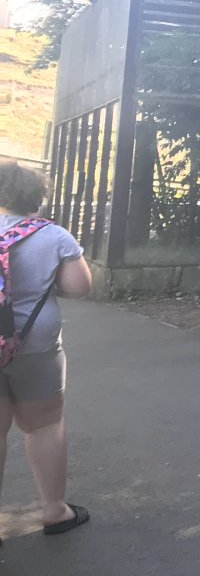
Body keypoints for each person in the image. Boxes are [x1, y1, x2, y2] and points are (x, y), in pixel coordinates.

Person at [0, 160, 93, 539]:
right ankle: (55, 511)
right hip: (35, 345)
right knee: (44, 425)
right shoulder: (54, 235)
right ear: (38, 197)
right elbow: (79, 287)